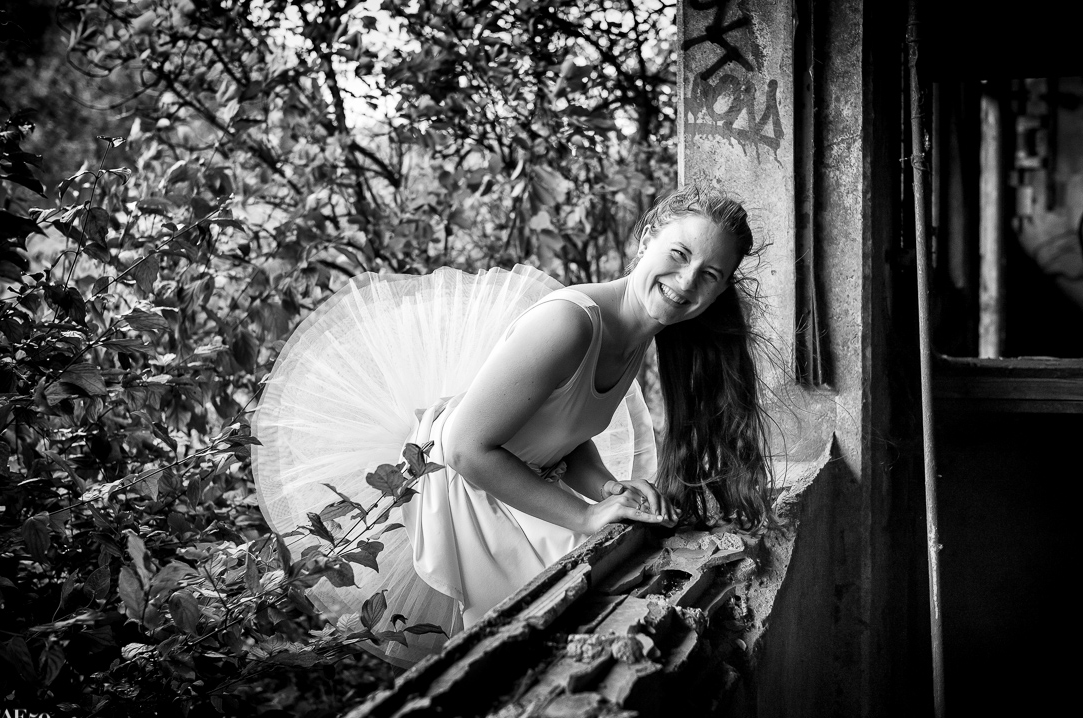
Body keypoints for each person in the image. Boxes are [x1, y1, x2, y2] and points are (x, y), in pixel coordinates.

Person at [251, 185, 770, 667]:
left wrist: (605, 487)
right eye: (679, 254)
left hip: (512, 483)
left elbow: (566, 430)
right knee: (533, 644)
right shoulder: (572, 322)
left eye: (709, 274)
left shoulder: (638, 333)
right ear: (647, 237)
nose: (687, 281)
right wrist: (585, 515)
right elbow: (464, 448)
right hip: (462, 488)